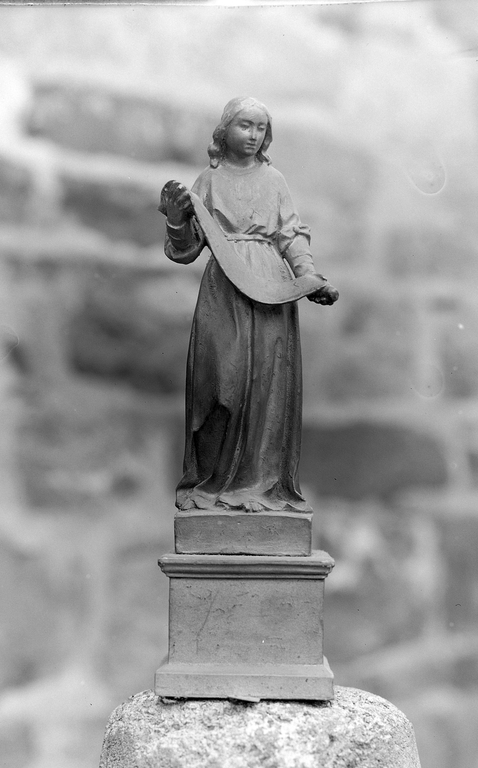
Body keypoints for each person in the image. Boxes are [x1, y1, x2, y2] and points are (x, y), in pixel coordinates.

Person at [159, 97, 338, 513]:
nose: (254, 135)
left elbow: (291, 234)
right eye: (245, 125)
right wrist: (175, 219)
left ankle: (259, 484)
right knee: (221, 381)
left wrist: (308, 277)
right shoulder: (209, 179)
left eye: (261, 127)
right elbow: (185, 249)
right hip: (224, 287)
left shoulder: (274, 180)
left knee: (266, 385)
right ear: (225, 131)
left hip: (270, 288)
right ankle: (212, 481)